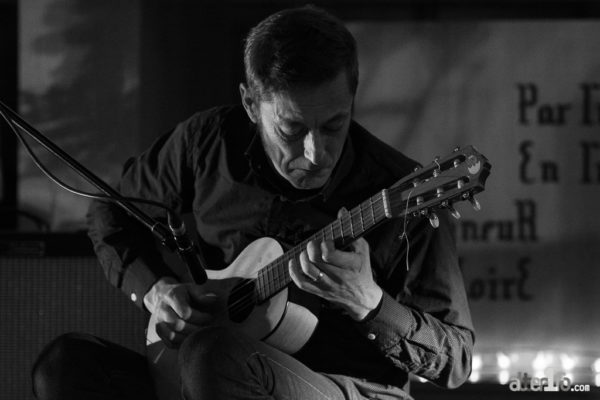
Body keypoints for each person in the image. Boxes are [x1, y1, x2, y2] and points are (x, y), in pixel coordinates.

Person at [32, 5, 474, 400]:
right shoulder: (208, 142)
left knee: (214, 355)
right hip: (205, 370)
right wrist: (156, 291)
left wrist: (369, 302)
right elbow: (111, 211)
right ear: (249, 103)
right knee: (66, 365)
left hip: (346, 388)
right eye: (291, 130)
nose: (315, 153)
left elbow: (456, 361)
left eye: (334, 125)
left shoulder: (402, 192)